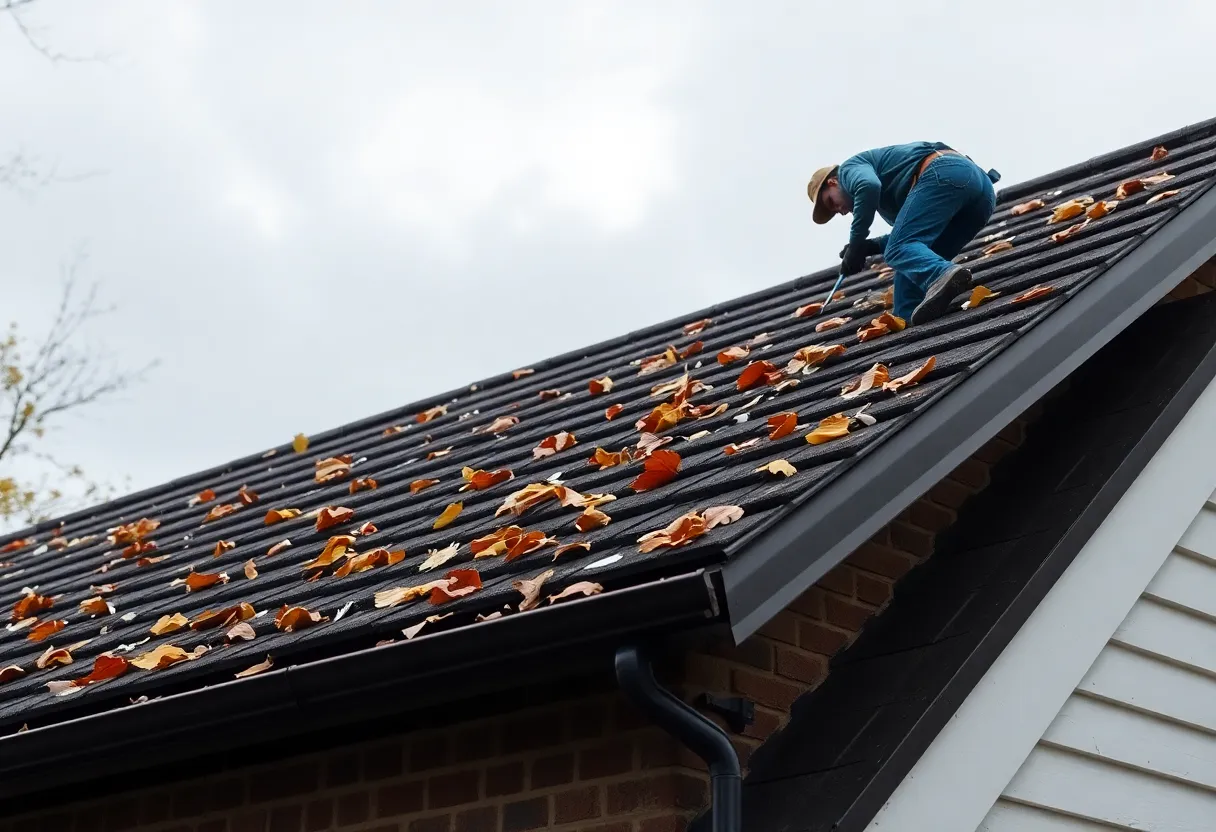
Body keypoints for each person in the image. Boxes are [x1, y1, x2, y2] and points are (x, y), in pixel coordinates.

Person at [806, 142, 1000, 324]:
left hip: (946, 172)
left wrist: (856, 241)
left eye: (831, 202)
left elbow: (868, 186)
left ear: (832, 182)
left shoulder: (849, 170)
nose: (839, 211)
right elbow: (915, 234)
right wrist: (869, 246)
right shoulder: (886, 198)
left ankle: (942, 273)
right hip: (980, 196)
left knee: (898, 250)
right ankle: (910, 324)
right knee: (908, 274)